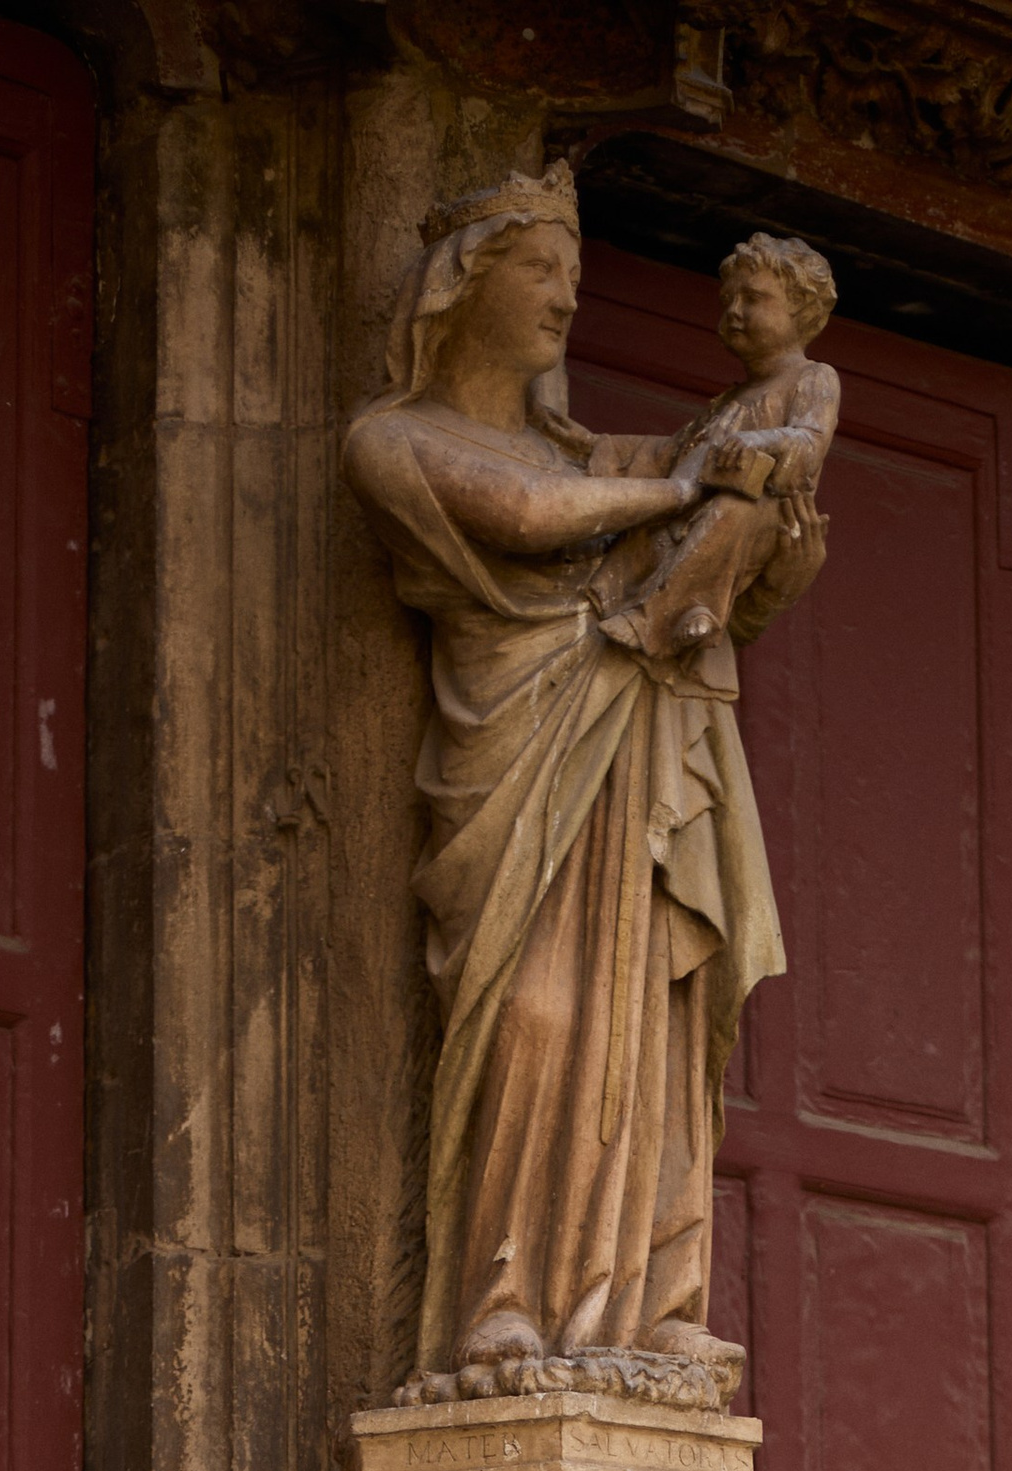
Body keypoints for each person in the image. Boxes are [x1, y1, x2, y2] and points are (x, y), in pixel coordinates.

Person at [341, 169, 824, 1385]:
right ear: (463, 281)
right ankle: (502, 1302)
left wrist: (773, 516)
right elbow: (526, 508)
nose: (568, 294)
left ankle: (651, 1304)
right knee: (536, 1015)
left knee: (654, 1025)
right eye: (541, 266)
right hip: (519, 753)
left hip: (636, 746)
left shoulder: (608, 452)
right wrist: (694, 485)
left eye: (573, 271)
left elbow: (746, 565)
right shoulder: (397, 438)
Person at [596, 234, 841, 670]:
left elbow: (809, 442)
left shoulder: (814, 377)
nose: (734, 311)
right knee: (658, 514)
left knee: (735, 509)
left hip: (764, 513)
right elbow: (674, 452)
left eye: (753, 298)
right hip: (697, 516)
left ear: (802, 308)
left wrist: (761, 440)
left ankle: (662, 615)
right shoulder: (731, 400)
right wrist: (599, 448)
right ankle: (626, 594)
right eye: (728, 299)